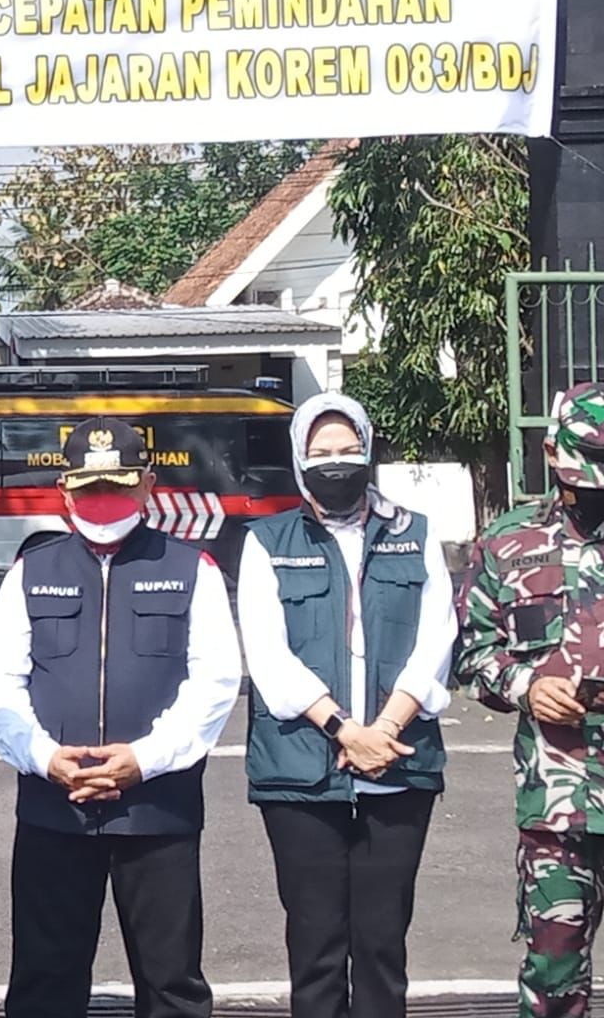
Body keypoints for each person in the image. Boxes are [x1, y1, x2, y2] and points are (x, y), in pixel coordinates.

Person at [0, 415, 239, 1018]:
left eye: (117, 486)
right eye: (89, 489)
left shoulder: (190, 568)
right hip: (53, 809)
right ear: (65, 491)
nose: (103, 501)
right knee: (45, 982)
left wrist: (143, 761)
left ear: (146, 486)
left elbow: (216, 682)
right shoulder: (31, 572)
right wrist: (45, 758)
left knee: (172, 984)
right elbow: (0, 682)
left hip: (157, 810)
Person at [239, 392, 454, 1018]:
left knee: (383, 944)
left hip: (399, 761)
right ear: (299, 460)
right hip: (301, 771)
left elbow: (436, 638)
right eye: (321, 452)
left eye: (348, 449)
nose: (337, 462)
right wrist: (341, 728)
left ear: (368, 449)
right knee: (316, 947)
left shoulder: (415, 533)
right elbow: (269, 655)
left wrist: (385, 727)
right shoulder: (267, 540)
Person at [458, 381, 604, 1018]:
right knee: (553, 975)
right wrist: (527, 686)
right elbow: (472, 653)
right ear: (551, 453)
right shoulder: (509, 543)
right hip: (558, 803)